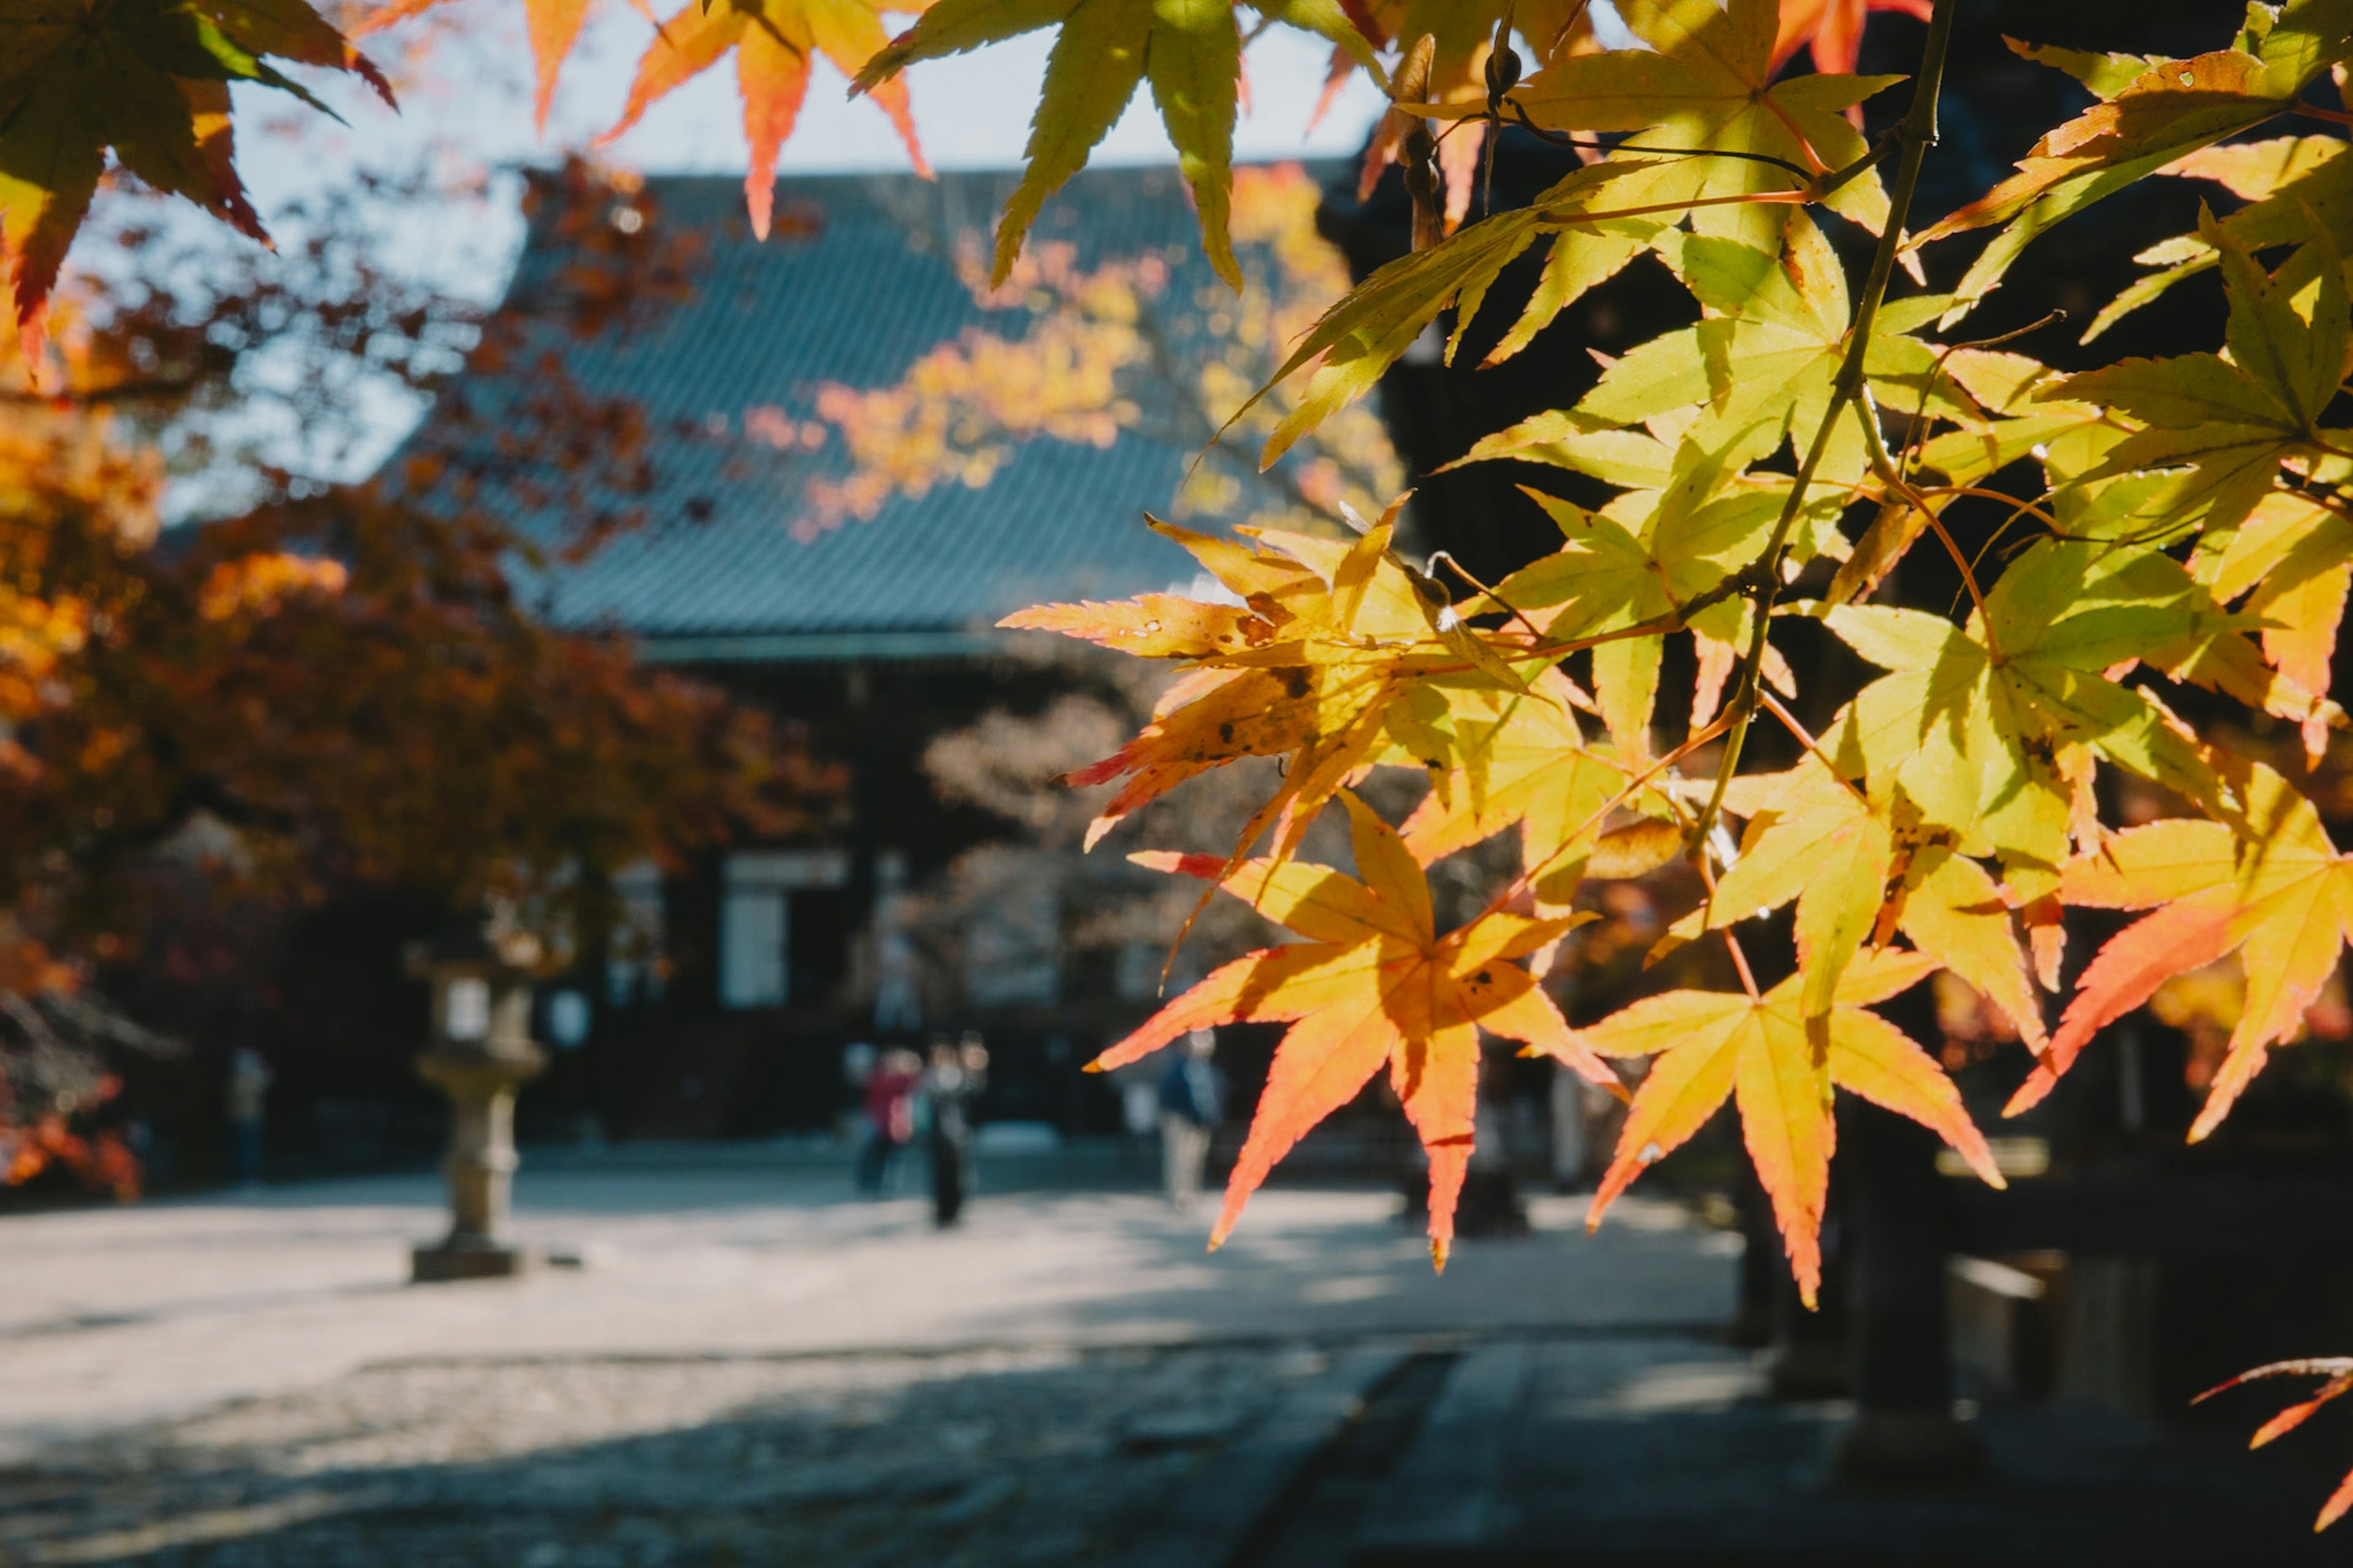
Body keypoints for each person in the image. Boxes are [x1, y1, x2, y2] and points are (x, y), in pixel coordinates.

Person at [924, 1031, 989, 1227]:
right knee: (940, 1174)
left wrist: (977, 1067)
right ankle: (942, 1212)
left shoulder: (959, 1076)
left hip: (957, 1133)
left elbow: (976, 1090)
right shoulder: (930, 1077)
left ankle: (955, 1211)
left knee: (959, 1175)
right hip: (938, 1134)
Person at [1158, 1029, 1226, 1210]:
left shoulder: (1206, 1068)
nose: (1206, 1043)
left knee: (1196, 1159)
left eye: (1208, 1039)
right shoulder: (1180, 1066)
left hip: (1200, 1122)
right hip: (1182, 1120)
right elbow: (1169, 1094)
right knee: (1180, 1159)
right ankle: (1178, 1194)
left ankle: (1192, 1192)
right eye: (1201, 1039)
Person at [856, 1046, 922, 1195]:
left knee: (893, 1156)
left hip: (896, 1123)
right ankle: (870, 1183)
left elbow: (918, 1082)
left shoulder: (903, 1080)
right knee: (874, 1153)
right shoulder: (879, 1078)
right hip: (877, 1121)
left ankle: (887, 1185)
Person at [225, 1045, 272, 1188]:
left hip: (242, 1119)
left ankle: (243, 1177)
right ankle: (246, 1177)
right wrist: (262, 1066)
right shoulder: (246, 1079)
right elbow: (267, 1080)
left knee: (243, 1150)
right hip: (247, 1119)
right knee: (247, 1151)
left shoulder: (236, 1079)